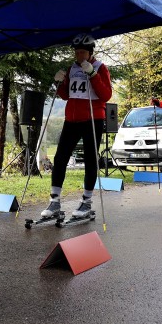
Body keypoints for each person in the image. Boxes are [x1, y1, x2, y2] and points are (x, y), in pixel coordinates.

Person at [40, 33, 112, 219]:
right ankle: (55, 201)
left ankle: (86, 202)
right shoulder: (72, 68)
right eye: (76, 53)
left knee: (90, 160)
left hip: (92, 119)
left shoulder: (99, 67)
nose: (78, 56)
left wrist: (93, 75)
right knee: (61, 157)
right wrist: (60, 82)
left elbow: (106, 95)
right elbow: (66, 95)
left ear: (90, 53)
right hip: (71, 120)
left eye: (82, 53)